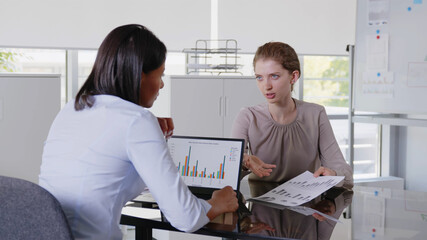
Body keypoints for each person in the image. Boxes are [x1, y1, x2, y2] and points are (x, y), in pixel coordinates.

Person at [39, 24, 238, 240]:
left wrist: (151, 135)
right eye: (160, 74)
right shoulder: (137, 121)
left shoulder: (73, 108)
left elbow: (105, 174)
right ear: (140, 75)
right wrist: (217, 203)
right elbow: (186, 217)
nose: (161, 85)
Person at [231, 42, 353, 189]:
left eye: (274, 76)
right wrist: (244, 161)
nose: (266, 86)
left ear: (293, 77)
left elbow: (346, 175)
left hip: (307, 204)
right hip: (260, 204)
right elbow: (229, 172)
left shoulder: (316, 114)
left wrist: (332, 173)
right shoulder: (248, 116)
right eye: (259, 77)